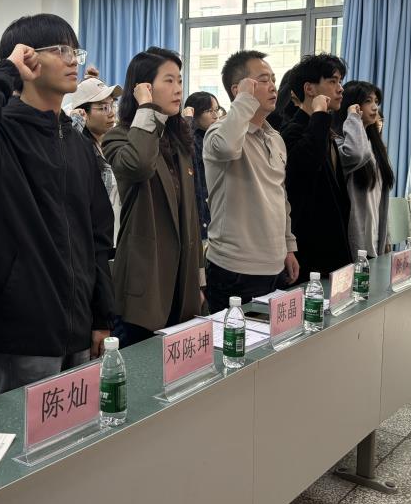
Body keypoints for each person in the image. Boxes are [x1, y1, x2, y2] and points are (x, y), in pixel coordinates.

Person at [0, 13, 114, 395]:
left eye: (75, 51)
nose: (73, 60)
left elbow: (98, 236)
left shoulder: (77, 144)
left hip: (79, 325)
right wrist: (7, 70)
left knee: (78, 426)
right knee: (24, 429)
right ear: (28, 58)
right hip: (22, 328)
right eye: (61, 50)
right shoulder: (1, 133)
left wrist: (101, 316)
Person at [104, 48, 205, 346]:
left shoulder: (180, 141)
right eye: (169, 81)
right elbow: (138, 165)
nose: (178, 89)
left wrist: (199, 281)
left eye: (180, 80)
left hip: (182, 282)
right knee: (140, 367)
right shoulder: (119, 136)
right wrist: (146, 109)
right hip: (145, 283)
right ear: (144, 87)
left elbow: (192, 214)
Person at [202, 50, 298, 314]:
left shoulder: (275, 138)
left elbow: (280, 196)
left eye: (273, 79)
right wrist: (243, 100)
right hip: (235, 269)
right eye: (263, 80)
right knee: (233, 339)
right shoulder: (219, 132)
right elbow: (227, 147)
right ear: (239, 89)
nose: (273, 86)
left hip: (274, 265)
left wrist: (288, 246)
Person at [280, 54, 353, 279]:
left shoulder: (325, 131)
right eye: (332, 81)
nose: (340, 88)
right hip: (309, 248)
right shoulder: (292, 131)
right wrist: (319, 113)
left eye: (340, 81)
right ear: (309, 88)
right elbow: (307, 164)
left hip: (332, 243)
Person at [333, 81, 394, 259]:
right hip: (354, 238)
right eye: (368, 101)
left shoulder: (374, 145)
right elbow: (356, 154)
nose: (375, 107)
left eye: (376, 102)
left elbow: (380, 196)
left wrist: (386, 235)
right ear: (352, 105)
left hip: (374, 235)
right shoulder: (339, 143)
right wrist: (353, 118)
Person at [69, 77, 123, 244]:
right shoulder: (79, 150)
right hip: (93, 243)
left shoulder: (111, 144)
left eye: (113, 105)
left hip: (114, 240)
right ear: (83, 113)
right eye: (104, 107)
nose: (111, 113)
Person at [182, 91, 220, 241]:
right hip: (197, 212)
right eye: (209, 111)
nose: (215, 115)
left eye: (217, 110)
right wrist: (188, 121)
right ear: (195, 113)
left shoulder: (215, 137)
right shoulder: (190, 138)